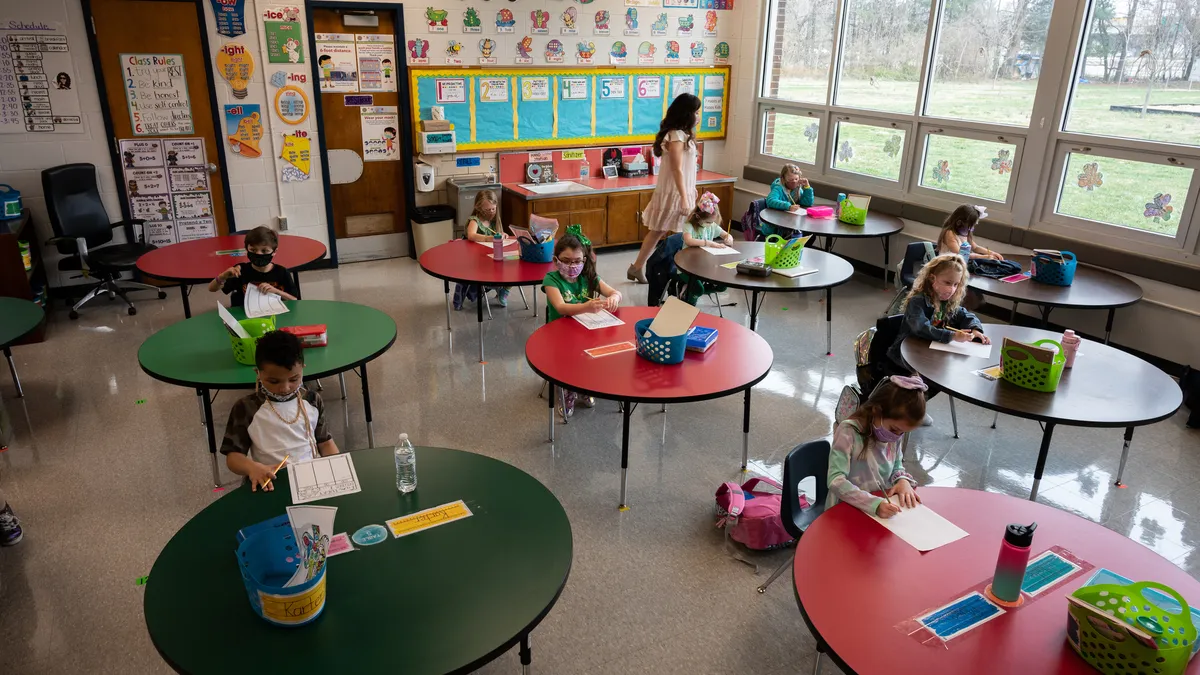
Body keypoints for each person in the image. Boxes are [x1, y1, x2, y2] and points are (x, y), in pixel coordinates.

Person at [220, 331, 339, 491]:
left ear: (302, 369)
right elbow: (233, 457)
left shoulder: (312, 400)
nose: (284, 388)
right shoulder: (247, 407)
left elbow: (325, 443)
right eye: (273, 381)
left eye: (293, 379)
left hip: (311, 479)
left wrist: (338, 469)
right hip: (270, 482)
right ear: (258, 373)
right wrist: (252, 468)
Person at [887, 254, 989, 420]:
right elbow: (920, 328)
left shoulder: (947, 301)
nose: (952, 289)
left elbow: (964, 314)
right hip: (906, 353)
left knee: (944, 377)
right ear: (932, 279)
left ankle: (917, 405)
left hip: (931, 350)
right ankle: (911, 407)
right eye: (947, 283)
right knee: (930, 377)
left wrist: (975, 329)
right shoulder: (918, 301)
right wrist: (952, 335)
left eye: (956, 284)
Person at [544, 231, 621, 419]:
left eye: (577, 261)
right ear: (556, 260)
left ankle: (585, 384)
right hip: (560, 333)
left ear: (584, 260)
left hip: (586, 331)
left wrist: (614, 298)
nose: (573, 265)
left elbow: (614, 291)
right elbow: (561, 307)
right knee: (569, 357)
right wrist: (586, 306)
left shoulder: (589, 276)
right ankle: (568, 390)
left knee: (595, 352)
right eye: (567, 260)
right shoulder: (551, 280)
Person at [827, 375, 927, 518]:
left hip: (879, 509)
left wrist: (902, 480)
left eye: (902, 432)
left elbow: (896, 465)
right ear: (876, 411)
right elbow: (835, 480)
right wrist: (873, 504)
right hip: (844, 510)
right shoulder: (848, 432)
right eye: (894, 430)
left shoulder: (894, 434)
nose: (896, 436)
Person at [627, 93, 701, 284]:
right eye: (696, 112)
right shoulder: (676, 135)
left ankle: (640, 267)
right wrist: (685, 196)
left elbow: (686, 167)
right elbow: (676, 168)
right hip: (675, 191)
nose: (698, 116)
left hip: (683, 190)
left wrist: (691, 190)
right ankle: (644, 267)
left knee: (668, 231)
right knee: (665, 230)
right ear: (687, 114)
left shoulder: (683, 134)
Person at [208, 226, 298, 307]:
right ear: (247, 249)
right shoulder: (240, 270)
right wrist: (223, 276)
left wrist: (276, 292)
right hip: (247, 315)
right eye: (253, 250)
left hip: (275, 313)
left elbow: (294, 300)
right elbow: (211, 289)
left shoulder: (281, 272)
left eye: (264, 251)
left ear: (274, 251)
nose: (258, 254)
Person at [454, 190, 511, 310]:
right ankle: (499, 287)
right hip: (477, 261)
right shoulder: (474, 221)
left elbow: (497, 233)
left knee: (512, 266)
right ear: (478, 207)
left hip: (492, 258)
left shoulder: (494, 222)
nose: (491, 212)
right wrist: (488, 238)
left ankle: (504, 289)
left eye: (493, 209)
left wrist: (503, 234)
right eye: (487, 210)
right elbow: (471, 235)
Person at [678, 191, 732, 305]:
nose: (710, 224)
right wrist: (709, 243)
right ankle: (689, 303)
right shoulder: (689, 225)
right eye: (708, 222)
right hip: (686, 266)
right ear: (698, 216)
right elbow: (689, 240)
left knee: (723, 286)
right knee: (698, 288)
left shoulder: (711, 225)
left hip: (705, 266)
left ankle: (689, 290)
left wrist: (728, 238)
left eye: (712, 222)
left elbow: (725, 234)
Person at [761, 164, 814, 237]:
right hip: (775, 227)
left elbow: (807, 203)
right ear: (783, 179)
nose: (794, 182)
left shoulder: (797, 189)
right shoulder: (778, 188)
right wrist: (788, 206)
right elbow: (770, 200)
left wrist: (807, 187)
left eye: (796, 179)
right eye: (790, 180)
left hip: (791, 224)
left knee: (810, 236)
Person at [937, 204, 1003, 261]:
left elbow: (975, 248)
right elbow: (960, 255)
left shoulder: (965, 234)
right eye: (970, 227)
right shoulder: (950, 234)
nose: (971, 229)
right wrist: (982, 257)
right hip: (946, 265)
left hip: (959, 264)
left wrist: (991, 253)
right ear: (959, 223)